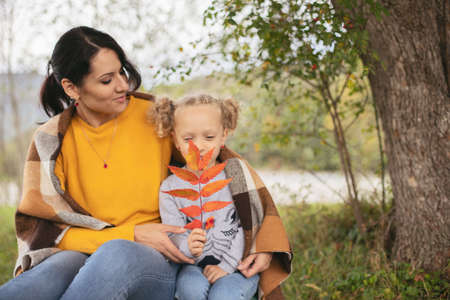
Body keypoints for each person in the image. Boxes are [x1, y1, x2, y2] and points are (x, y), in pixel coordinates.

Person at [0, 25, 290, 300]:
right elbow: (47, 234)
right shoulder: (51, 141)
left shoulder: (156, 116)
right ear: (71, 88)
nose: (123, 85)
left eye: (122, 72)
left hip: (163, 259)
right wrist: (131, 234)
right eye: (107, 80)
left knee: (117, 255)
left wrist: (264, 245)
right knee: (44, 278)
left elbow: (231, 172)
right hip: (90, 252)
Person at [150, 95, 292, 300]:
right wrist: (187, 245)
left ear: (223, 136)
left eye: (209, 137)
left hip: (238, 265)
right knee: (189, 290)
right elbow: (174, 231)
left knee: (224, 296)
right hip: (193, 265)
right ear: (175, 140)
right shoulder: (170, 188)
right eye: (188, 139)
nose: (199, 146)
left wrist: (226, 266)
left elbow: (246, 227)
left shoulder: (236, 177)